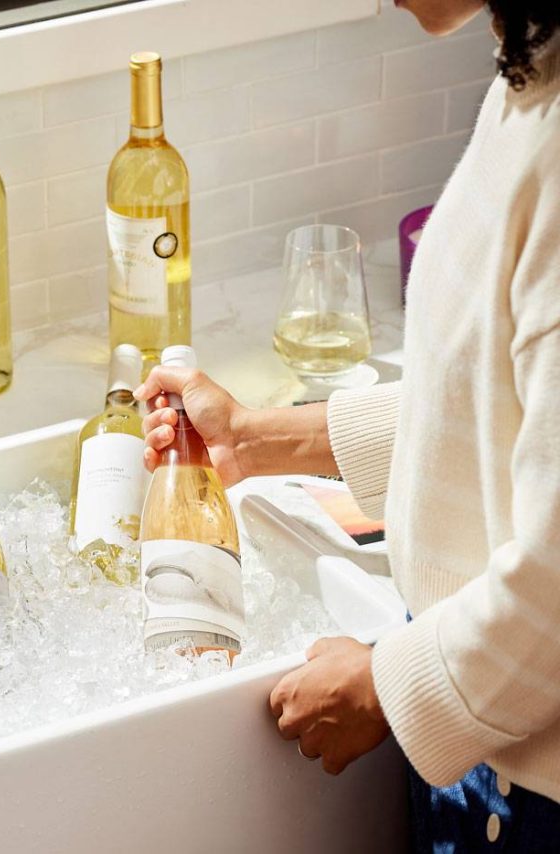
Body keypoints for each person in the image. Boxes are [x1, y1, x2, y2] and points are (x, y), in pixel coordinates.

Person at [135, 1, 559, 850]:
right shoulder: (534, 61)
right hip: (489, 747)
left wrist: (386, 687)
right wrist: (259, 438)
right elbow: (497, 397)